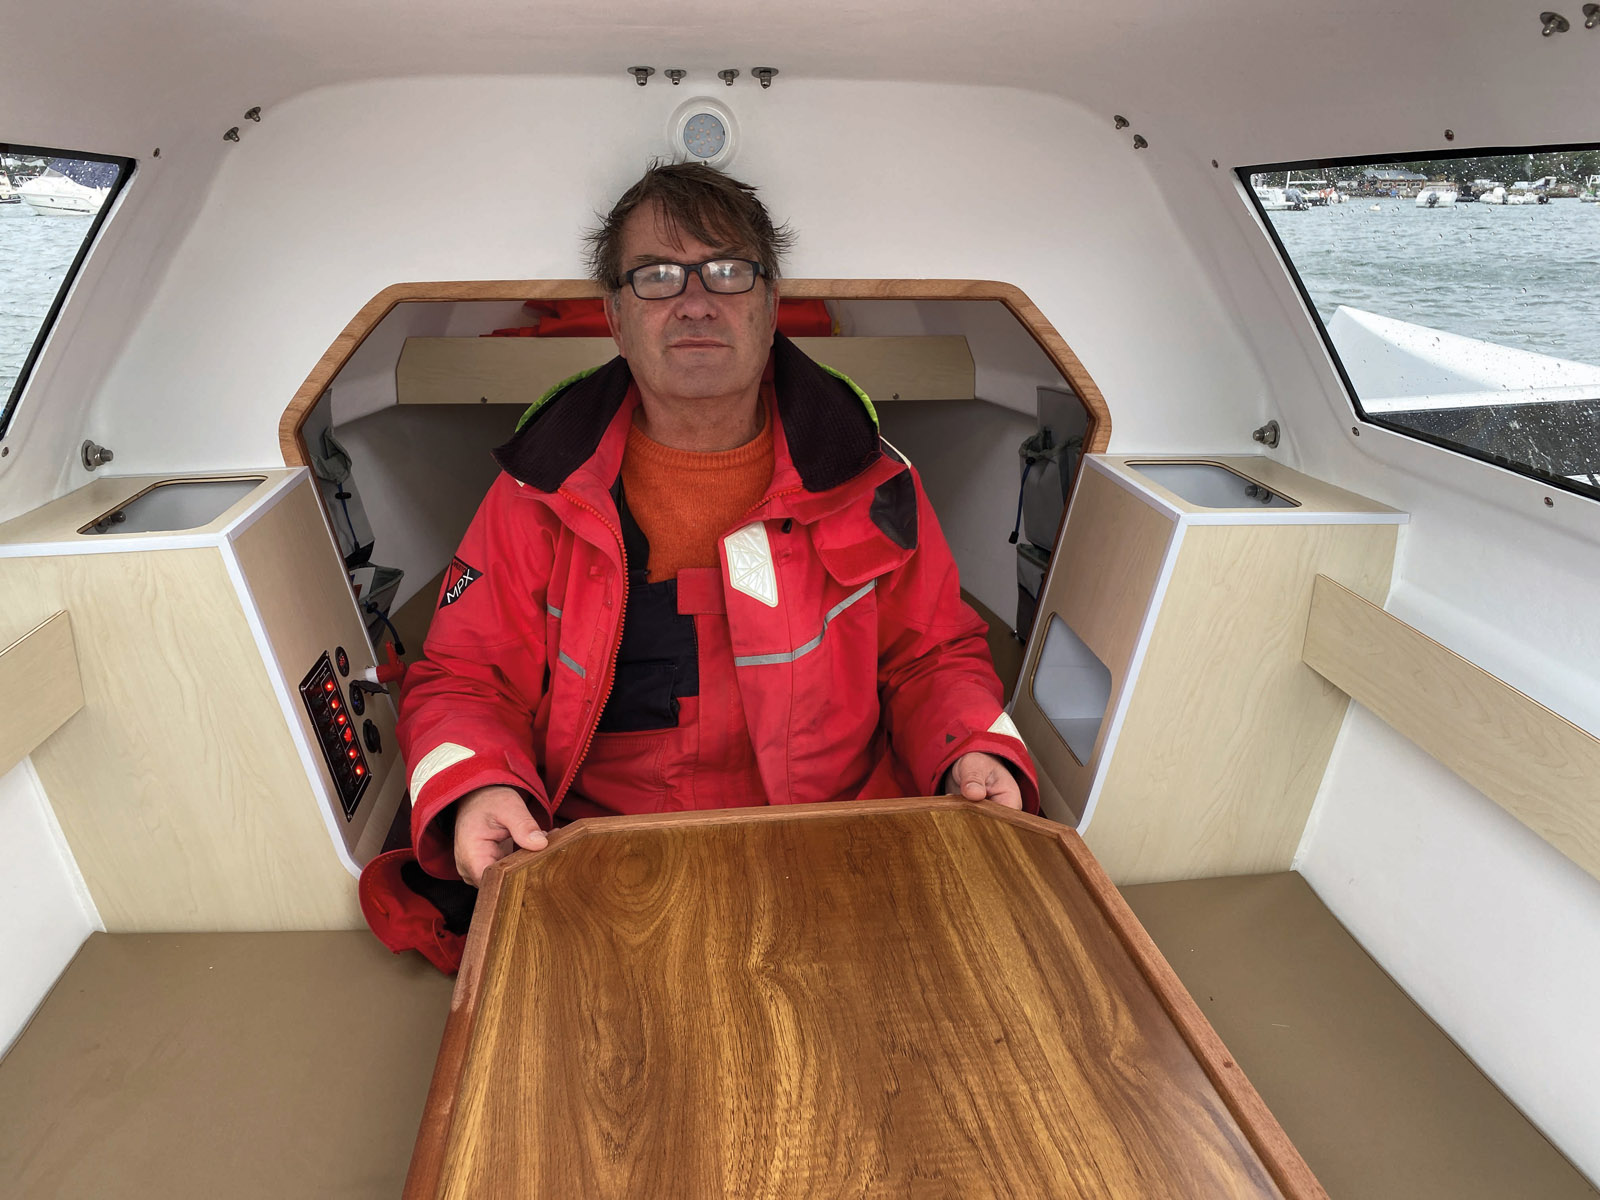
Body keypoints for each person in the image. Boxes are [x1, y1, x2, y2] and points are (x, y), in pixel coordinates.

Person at [394, 161, 1039, 897]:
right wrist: (479, 785)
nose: (696, 304)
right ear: (615, 318)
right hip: (601, 858)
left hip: (835, 847)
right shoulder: (534, 492)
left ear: (771, 305)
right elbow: (465, 680)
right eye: (657, 276)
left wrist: (972, 751)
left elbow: (934, 658)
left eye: (728, 272)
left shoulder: (873, 479)